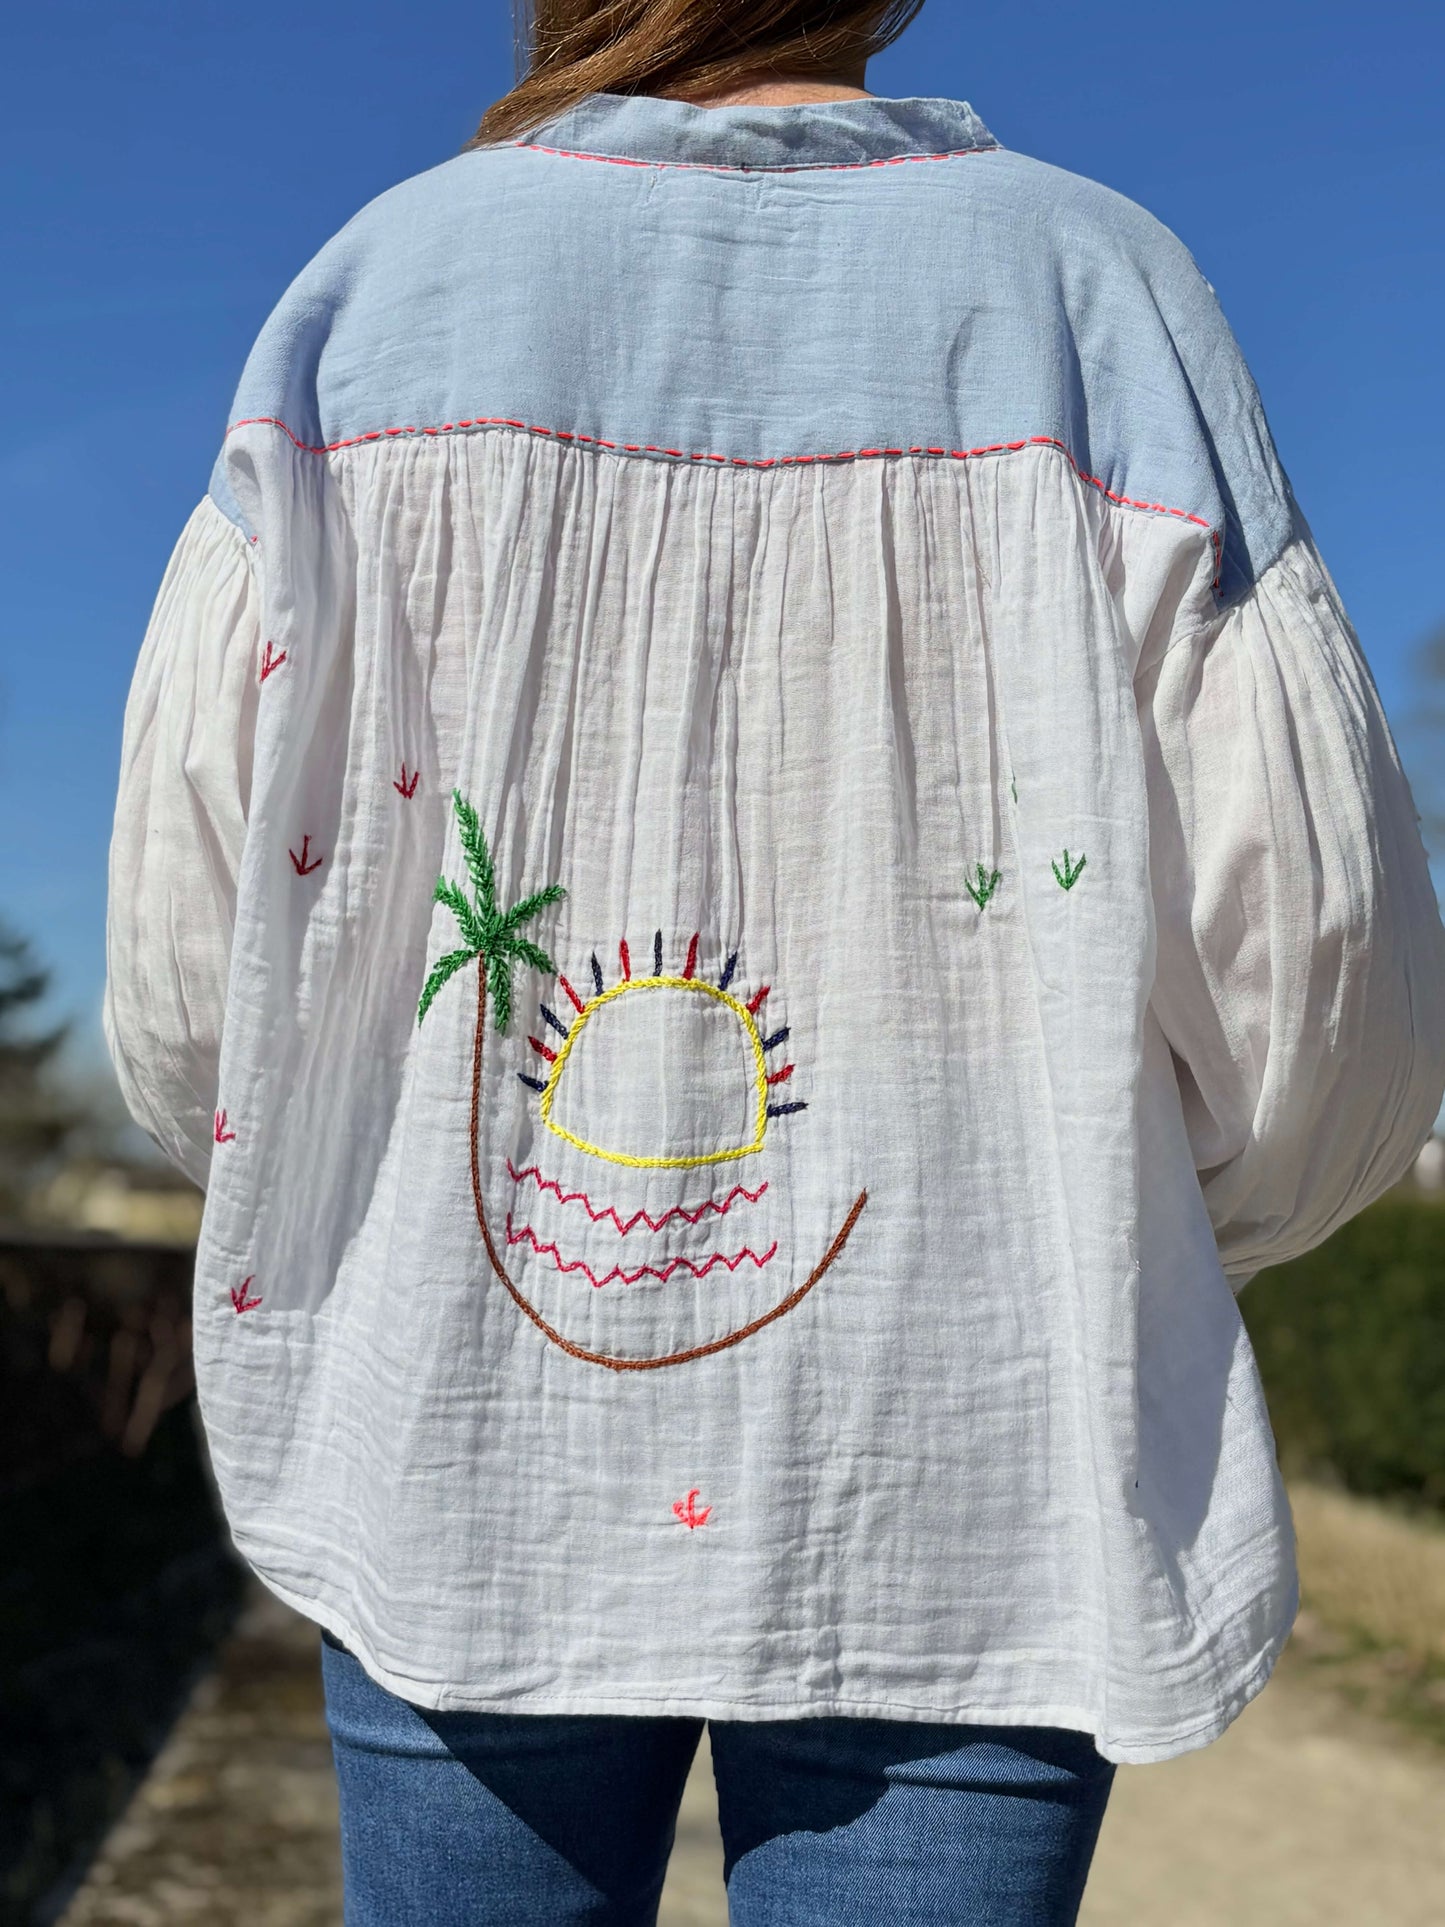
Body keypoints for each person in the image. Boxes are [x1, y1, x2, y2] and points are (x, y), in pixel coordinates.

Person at [104, 1, 1445, 1920]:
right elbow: (1315, 966)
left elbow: (195, 955)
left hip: (461, 1449)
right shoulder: (1093, 292)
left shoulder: (379, 291)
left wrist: (338, 1197)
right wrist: (1117, 1220)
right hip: (965, 1464)